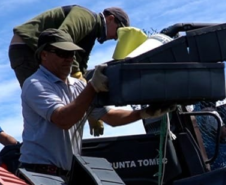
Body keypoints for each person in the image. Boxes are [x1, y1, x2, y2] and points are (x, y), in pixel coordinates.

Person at [18, 29, 172, 176]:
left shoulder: (78, 85)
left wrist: (143, 113)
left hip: (64, 175)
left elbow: (110, 117)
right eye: (62, 53)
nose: (69, 59)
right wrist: (92, 86)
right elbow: (63, 119)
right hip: (38, 173)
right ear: (44, 54)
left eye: (71, 53)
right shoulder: (35, 84)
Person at [9, 5, 129, 87]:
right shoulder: (86, 16)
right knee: (41, 100)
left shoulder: (91, 33)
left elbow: (81, 62)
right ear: (110, 19)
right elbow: (62, 38)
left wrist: (84, 82)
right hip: (27, 47)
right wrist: (76, 74)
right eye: (118, 31)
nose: (115, 38)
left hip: (38, 51)